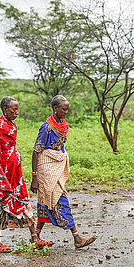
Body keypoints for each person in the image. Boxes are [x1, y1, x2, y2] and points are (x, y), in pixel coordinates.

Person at [0, 96, 50, 253]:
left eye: (17, 109)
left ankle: (35, 239)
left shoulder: (11, 125)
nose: (17, 112)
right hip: (2, 176)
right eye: (14, 109)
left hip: (15, 174)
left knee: (23, 202)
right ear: (5, 110)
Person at [30, 95, 96, 249]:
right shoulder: (46, 128)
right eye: (64, 109)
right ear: (55, 109)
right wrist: (34, 177)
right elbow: (36, 151)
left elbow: (60, 147)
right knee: (60, 200)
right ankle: (77, 237)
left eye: (67, 109)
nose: (66, 112)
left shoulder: (63, 125)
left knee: (46, 201)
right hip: (46, 168)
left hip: (57, 165)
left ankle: (36, 236)